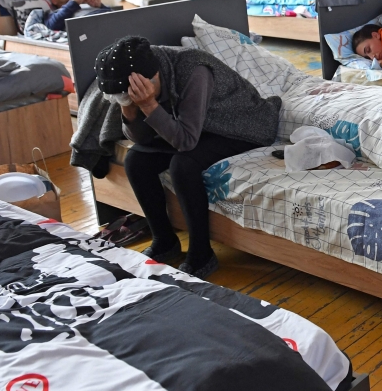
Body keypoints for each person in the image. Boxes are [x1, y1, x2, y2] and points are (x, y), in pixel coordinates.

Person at [98, 36, 281, 278]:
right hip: (198, 128)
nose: (129, 97)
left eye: (129, 95)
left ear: (153, 78)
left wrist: (149, 105)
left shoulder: (194, 71)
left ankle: (202, 253)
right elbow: (142, 140)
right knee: (136, 160)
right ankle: (164, 240)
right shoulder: (138, 75)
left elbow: (186, 142)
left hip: (241, 125)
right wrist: (130, 107)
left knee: (184, 165)